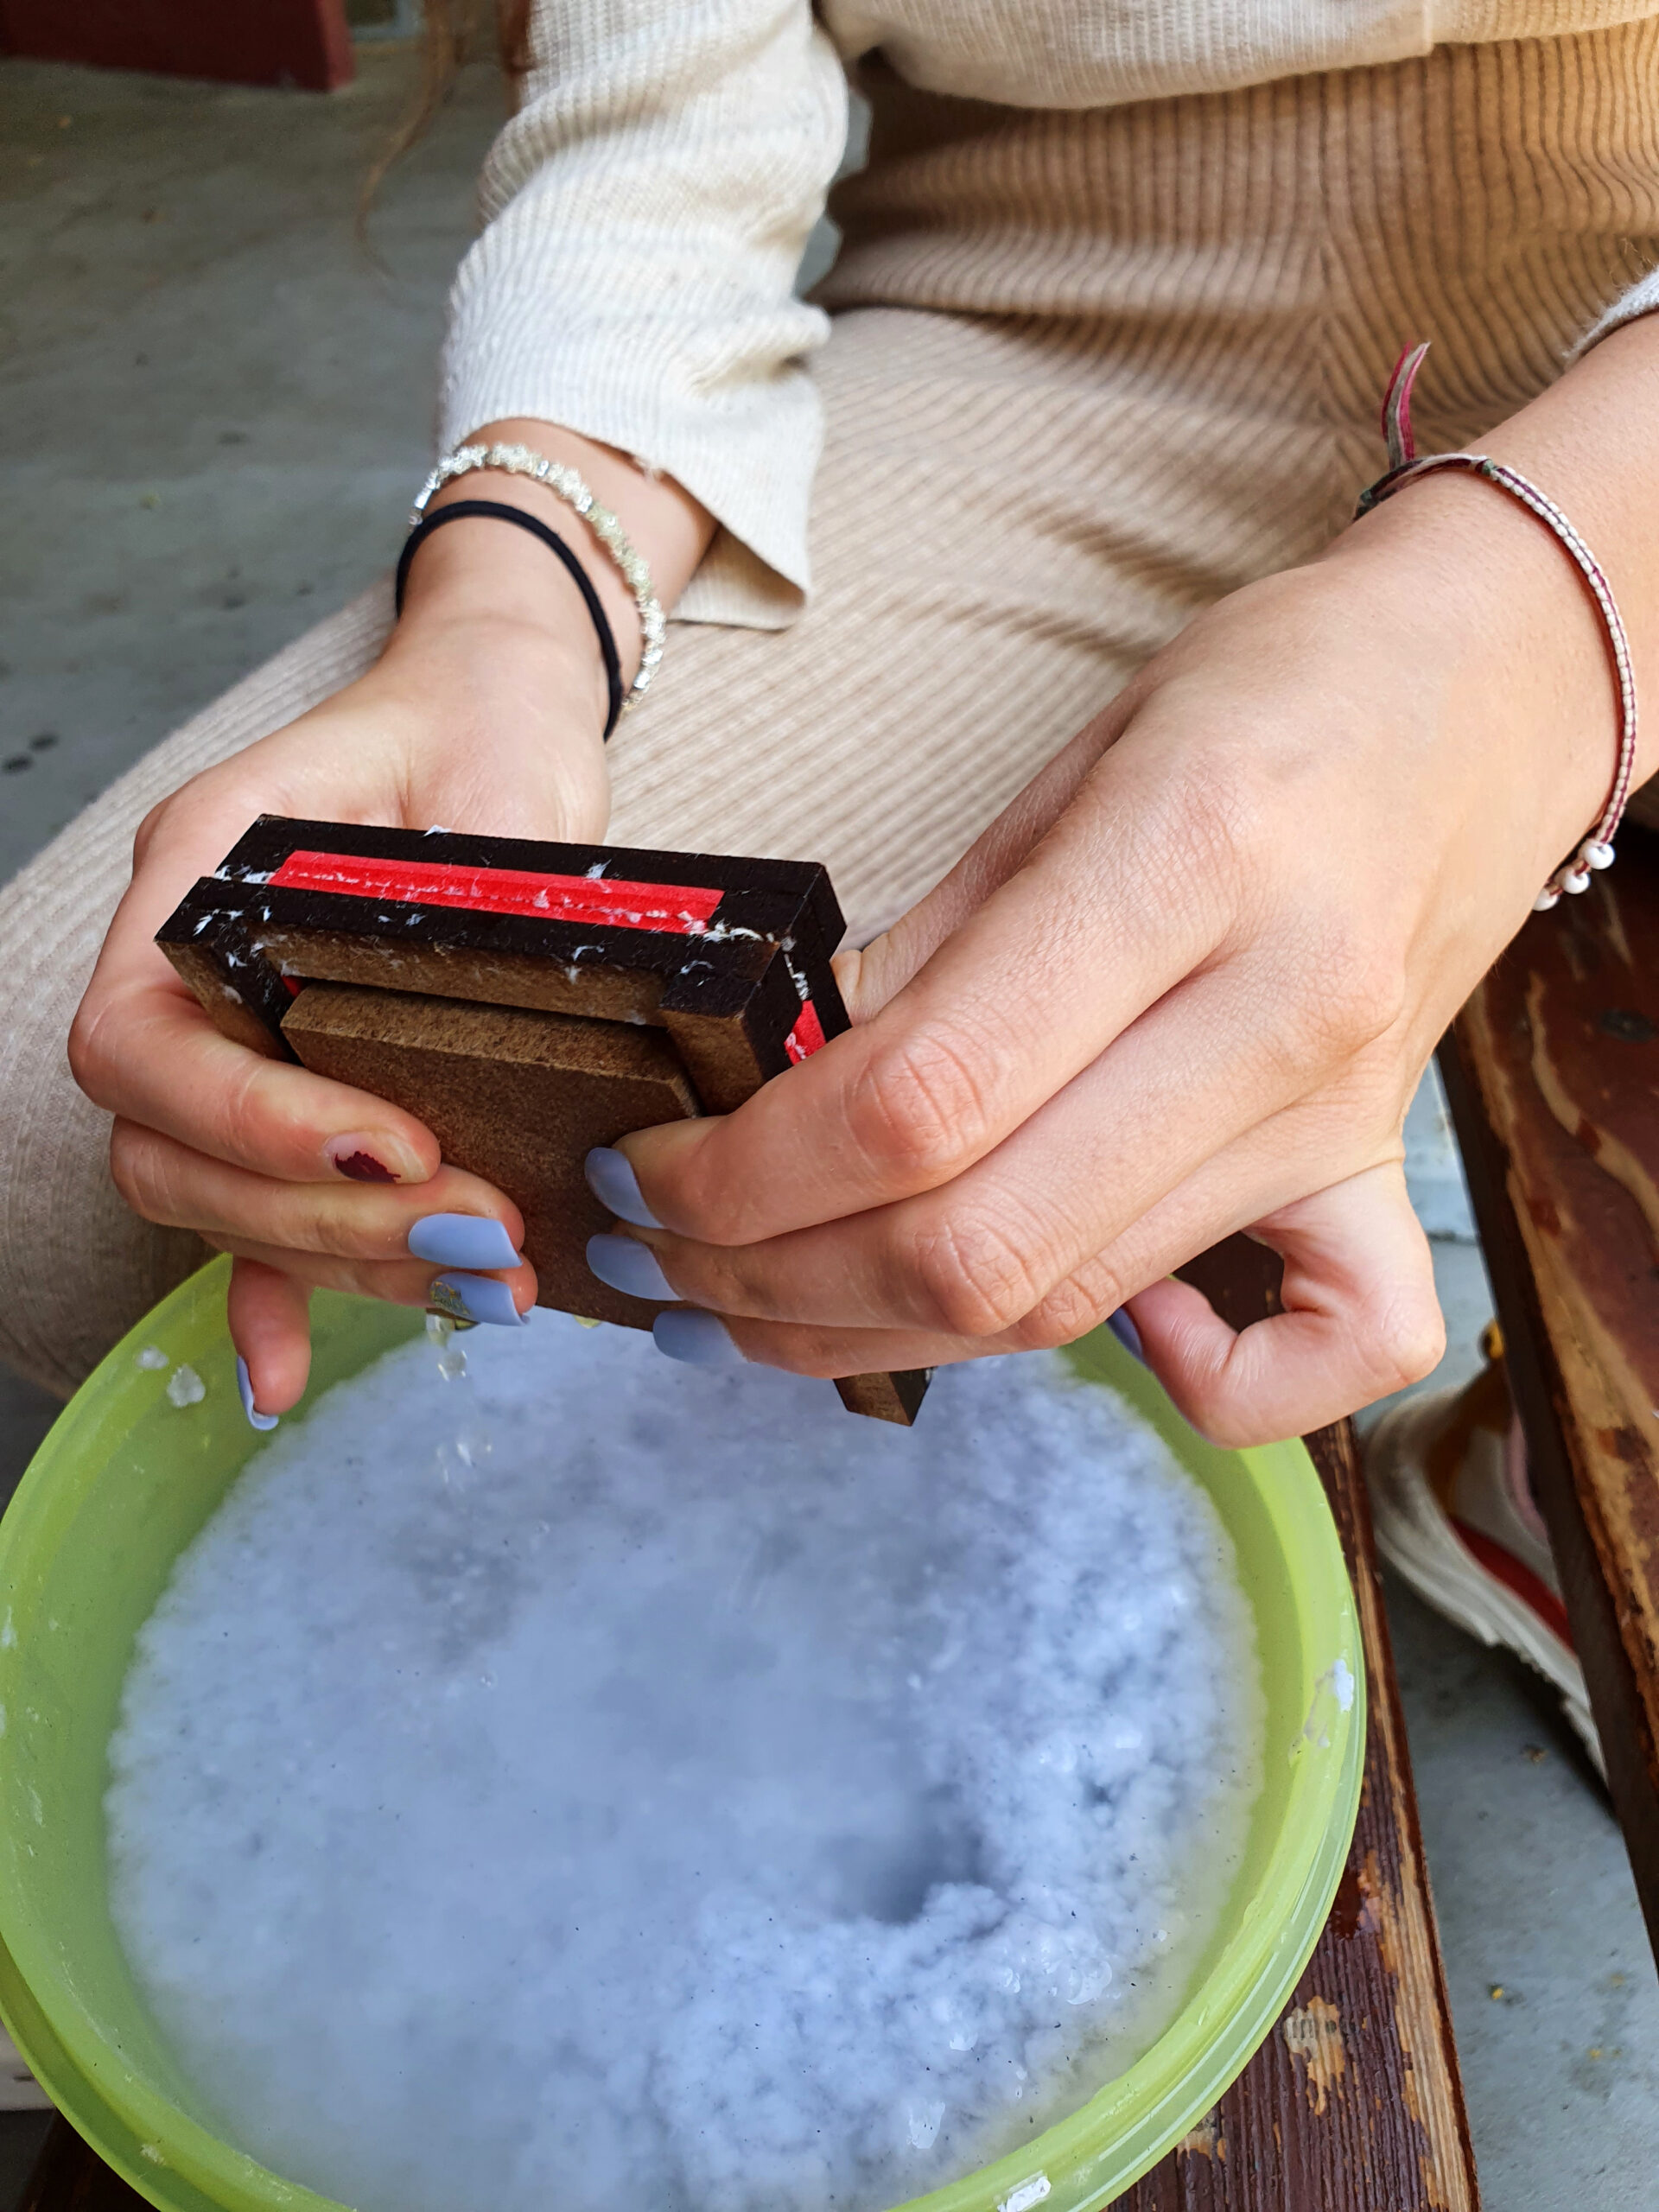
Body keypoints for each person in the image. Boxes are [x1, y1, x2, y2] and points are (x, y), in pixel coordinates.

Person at [3, 1, 1659, 1457]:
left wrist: (1527, 637)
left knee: (1068, 1191)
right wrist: (521, 609)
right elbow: (672, 98)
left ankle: (1521, 1460)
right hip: (1034, 343)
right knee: (65, 1139)